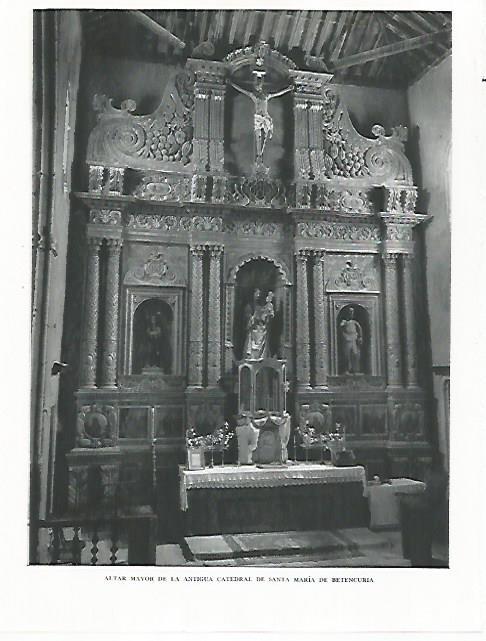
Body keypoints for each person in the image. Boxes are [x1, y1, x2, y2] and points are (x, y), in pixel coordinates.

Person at [230, 72, 292, 162]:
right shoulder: (253, 95)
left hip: (265, 117)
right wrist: (232, 84)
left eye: (259, 85)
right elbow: (242, 90)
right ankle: (259, 154)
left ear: (261, 86)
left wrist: (288, 89)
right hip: (258, 118)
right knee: (258, 136)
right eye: (257, 86)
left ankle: (261, 153)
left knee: (266, 135)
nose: (258, 87)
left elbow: (278, 93)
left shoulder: (266, 95)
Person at [243, 289, 275, 360]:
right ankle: (251, 356)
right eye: (256, 294)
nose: (257, 296)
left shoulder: (266, 306)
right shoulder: (250, 306)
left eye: (259, 294)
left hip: (261, 329)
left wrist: (266, 316)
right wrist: (252, 319)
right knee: (251, 341)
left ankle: (261, 357)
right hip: (254, 329)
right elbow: (248, 316)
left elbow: (268, 317)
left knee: (262, 341)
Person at [340, 307, 363, 374]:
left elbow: (359, 329)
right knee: (347, 355)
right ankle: (347, 370)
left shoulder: (355, 322)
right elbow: (341, 328)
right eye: (350, 312)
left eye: (352, 312)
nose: (351, 314)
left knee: (355, 354)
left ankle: (356, 370)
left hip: (354, 339)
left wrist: (360, 337)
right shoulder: (344, 322)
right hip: (347, 339)